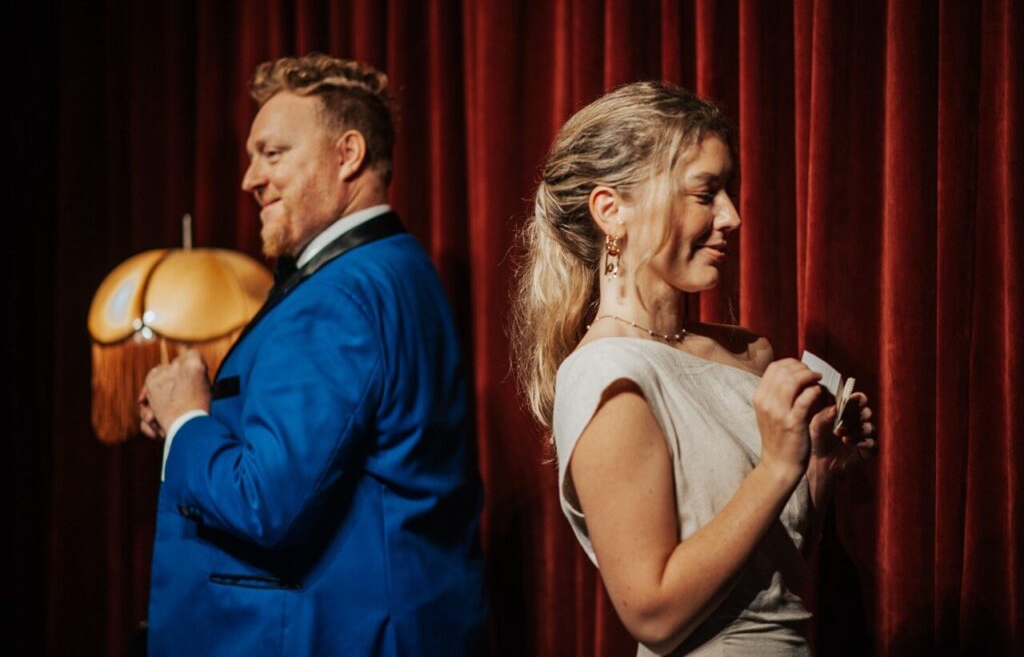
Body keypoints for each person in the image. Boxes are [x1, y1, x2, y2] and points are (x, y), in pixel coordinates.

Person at [512, 82, 877, 655]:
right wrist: (778, 466)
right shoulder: (607, 375)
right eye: (705, 193)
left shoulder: (749, 351)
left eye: (728, 190)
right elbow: (653, 616)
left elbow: (768, 582)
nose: (731, 216)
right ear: (612, 211)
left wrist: (817, 473)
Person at [138, 53, 485, 656]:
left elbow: (264, 502)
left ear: (348, 155)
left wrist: (186, 421)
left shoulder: (337, 297)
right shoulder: (399, 267)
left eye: (272, 154)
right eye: (252, 158)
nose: (249, 178)